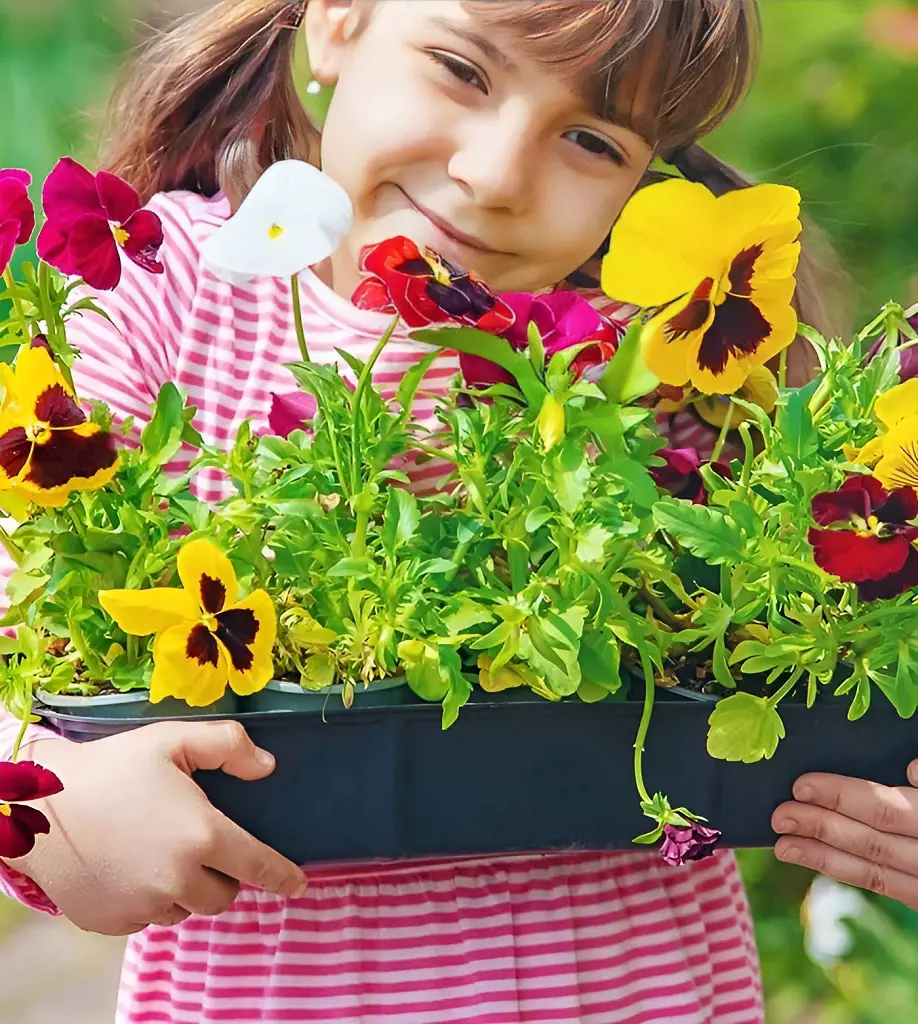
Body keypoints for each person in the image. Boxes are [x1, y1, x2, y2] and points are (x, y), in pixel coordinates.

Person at [0, 1, 876, 1021]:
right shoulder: (167, 295)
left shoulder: (655, 366)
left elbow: (819, 653)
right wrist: (46, 787)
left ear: (645, 182)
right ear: (337, 24)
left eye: (591, 140)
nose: (497, 174)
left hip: (637, 988)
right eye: (462, 70)